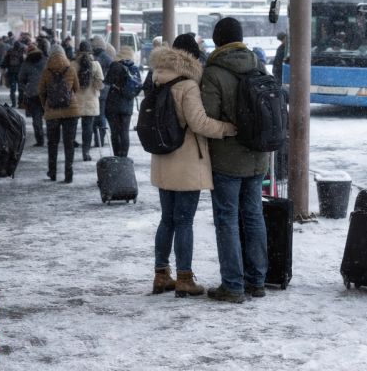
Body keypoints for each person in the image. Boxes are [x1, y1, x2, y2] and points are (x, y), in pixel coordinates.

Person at [149, 33, 237, 298]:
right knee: (184, 221)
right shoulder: (187, 85)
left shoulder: (156, 78)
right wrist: (229, 128)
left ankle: (161, 274)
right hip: (186, 162)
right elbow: (199, 123)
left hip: (163, 157)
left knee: (167, 220)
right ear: (191, 57)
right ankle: (185, 278)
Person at [200, 17, 269, 303]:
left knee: (227, 220)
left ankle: (233, 285)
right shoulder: (258, 63)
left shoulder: (214, 72)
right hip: (257, 156)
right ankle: (257, 281)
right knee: (253, 217)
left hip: (227, 159)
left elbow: (208, 116)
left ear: (217, 41)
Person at [38, 46, 81, 182]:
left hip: (52, 113)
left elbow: (41, 91)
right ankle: (69, 174)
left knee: (53, 143)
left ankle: (53, 172)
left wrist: (46, 104)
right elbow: (77, 88)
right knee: (69, 143)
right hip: (71, 111)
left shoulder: (46, 71)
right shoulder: (70, 69)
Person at [104, 46, 141, 158]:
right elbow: (138, 87)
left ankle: (117, 156)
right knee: (124, 132)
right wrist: (128, 94)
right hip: (127, 105)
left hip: (113, 105)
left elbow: (107, 82)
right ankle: (124, 157)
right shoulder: (134, 68)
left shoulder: (115, 66)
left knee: (115, 133)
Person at [73, 41, 104, 162]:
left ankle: (71, 146)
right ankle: (86, 152)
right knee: (88, 128)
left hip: (75, 100)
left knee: (73, 126)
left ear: (78, 51)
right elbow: (100, 83)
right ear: (91, 51)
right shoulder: (96, 65)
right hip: (91, 101)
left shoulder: (73, 65)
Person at [20, 45, 47, 146]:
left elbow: (21, 79)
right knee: (50, 116)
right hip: (46, 93)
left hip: (33, 94)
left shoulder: (26, 64)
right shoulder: (45, 61)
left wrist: (26, 89)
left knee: (36, 118)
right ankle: (52, 138)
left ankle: (40, 140)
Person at [90, 36, 113, 147]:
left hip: (97, 90)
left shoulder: (96, 58)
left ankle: (98, 139)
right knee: (101, 115)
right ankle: (100, 139)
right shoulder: (108, 58)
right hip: (105, 90)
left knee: (97, 116)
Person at [3, 40, 26, 108]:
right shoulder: (21, 52)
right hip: (20, 73)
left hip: (11, 72)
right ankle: (20, 103)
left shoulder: (10, 52)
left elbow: (5, 62)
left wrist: (5, 68)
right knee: (20, 89)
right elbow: (24, 63)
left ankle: (13, 103)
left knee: (12, 89)